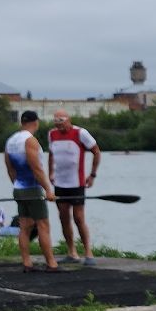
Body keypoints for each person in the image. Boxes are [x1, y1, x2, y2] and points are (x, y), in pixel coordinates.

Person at [46, 109, 103, 264]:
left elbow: (96, 152)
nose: (59, 126)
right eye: (56, 123)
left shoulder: (81, 133)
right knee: (64, 218)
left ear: (68, 120)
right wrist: (50, 172)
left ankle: (88, 254)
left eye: (61, 122)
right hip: (59, 184)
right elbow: (51, 155)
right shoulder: (52, 134)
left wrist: (92, 175)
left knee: (78, 218)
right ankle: (72, 252)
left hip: (77, 183)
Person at [3, 112, 57, 271]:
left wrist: (16, 185)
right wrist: (48, 190)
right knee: (43, 225)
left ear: (22, 122)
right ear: (36, 122)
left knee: (25, 226)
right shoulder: (30, 140)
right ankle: (51, 263)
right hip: (33, 189)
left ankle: (27, 263)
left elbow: (10, 169)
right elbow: (37, 169)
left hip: (18, 189)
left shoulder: (11, 140)